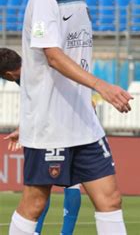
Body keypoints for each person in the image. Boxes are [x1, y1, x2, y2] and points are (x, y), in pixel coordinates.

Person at [9, 0, 133, 235]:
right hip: (51, 125)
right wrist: (101, 85)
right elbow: (52, 55)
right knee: (35, 201)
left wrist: (89, 98)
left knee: (110, 198)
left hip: (83, 124)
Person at [1, 47, 82, 235]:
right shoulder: (31, 69)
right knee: (67, 182)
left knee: (44, 182)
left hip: (63, 126)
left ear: (8, 74)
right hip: (71, 123)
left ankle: (49, 232)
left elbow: (45, 103)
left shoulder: (33, 75)